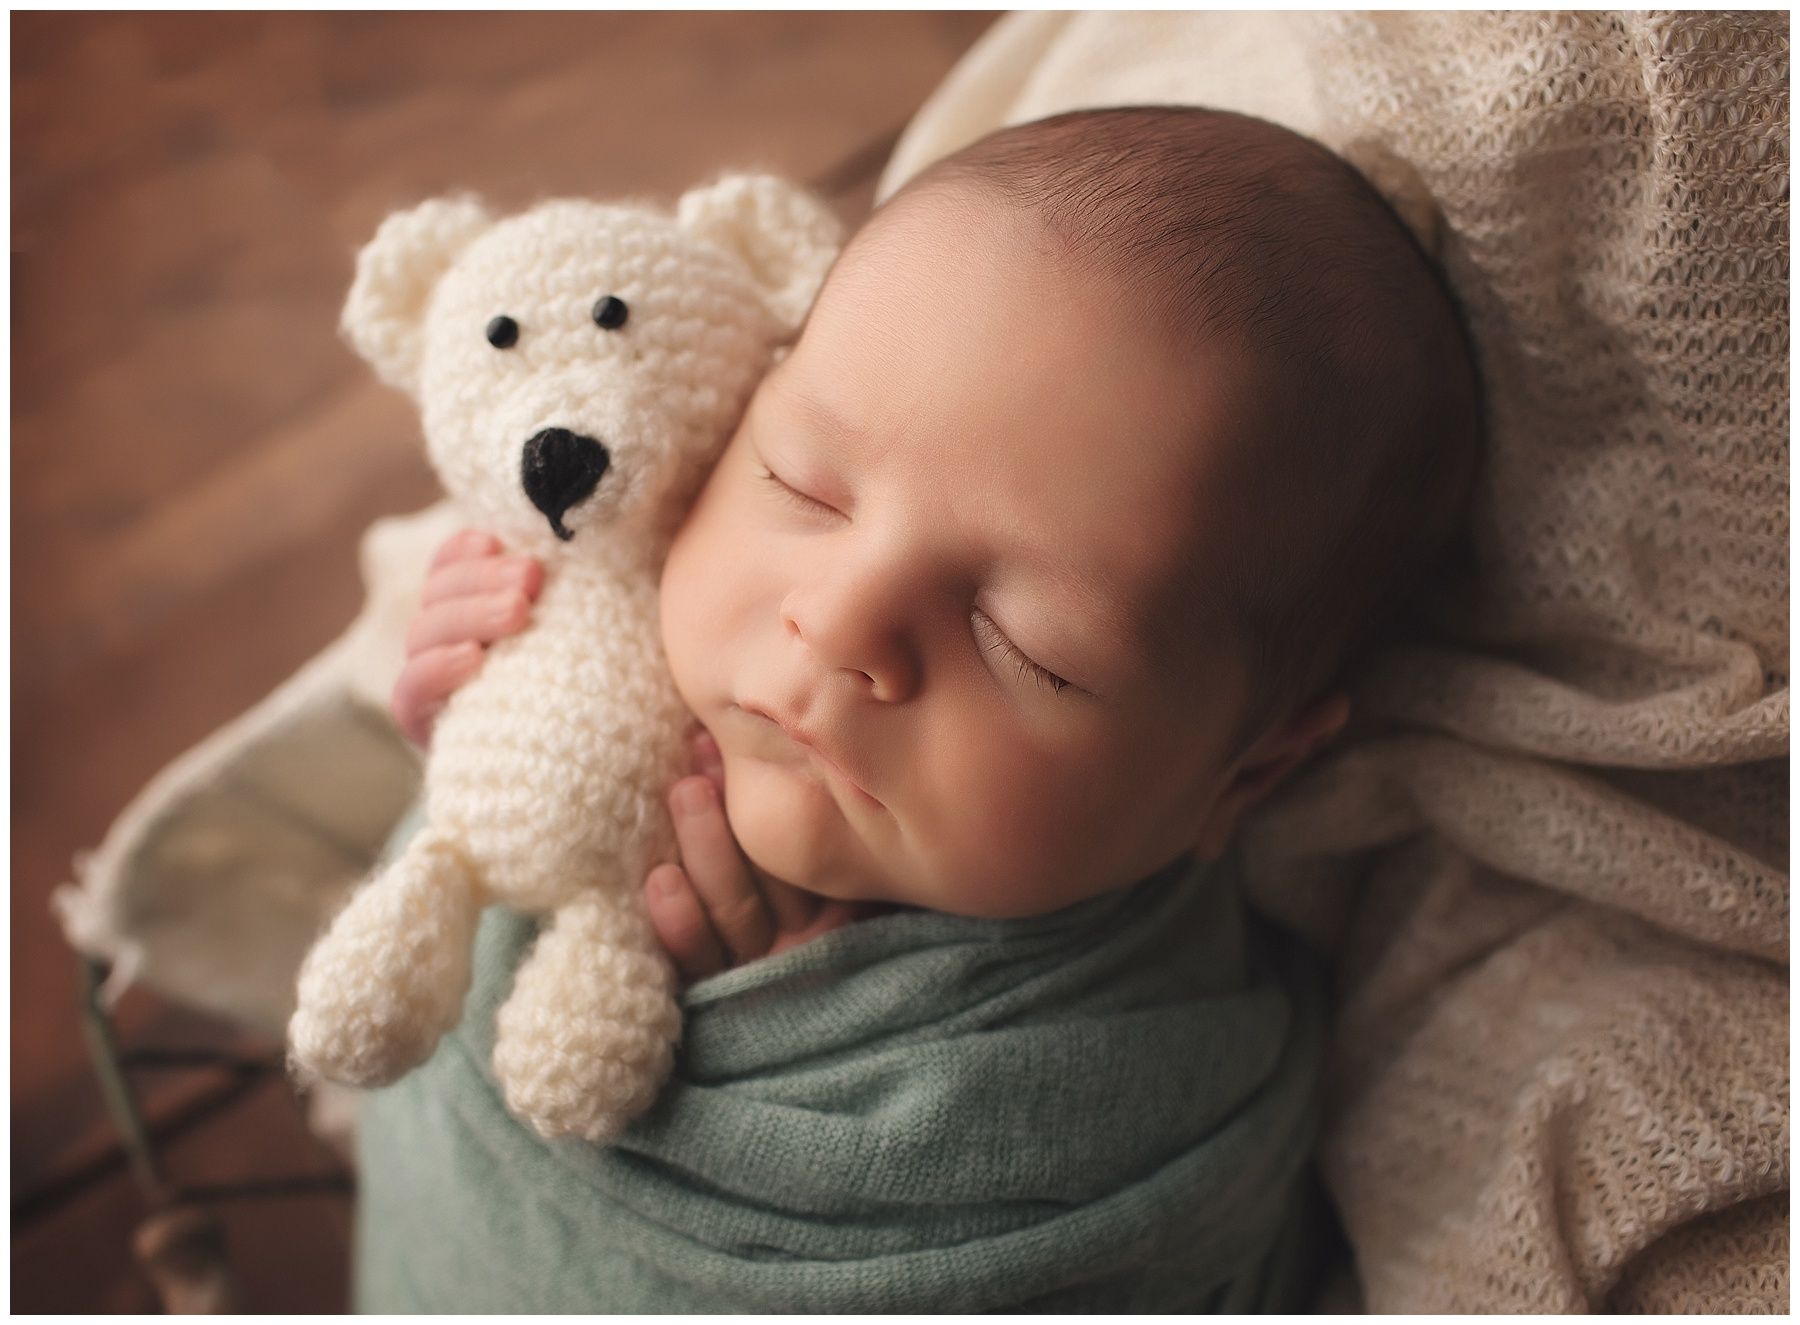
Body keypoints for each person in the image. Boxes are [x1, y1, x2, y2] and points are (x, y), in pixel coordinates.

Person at [356, 105, 1480, 1312]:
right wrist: (471, 728)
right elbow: (459, 886)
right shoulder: (591, 615)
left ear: (1245, 776)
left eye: (1027, 647)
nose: (840, 625)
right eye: (801, 484)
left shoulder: (1126, 1093)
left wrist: (797, 1027)